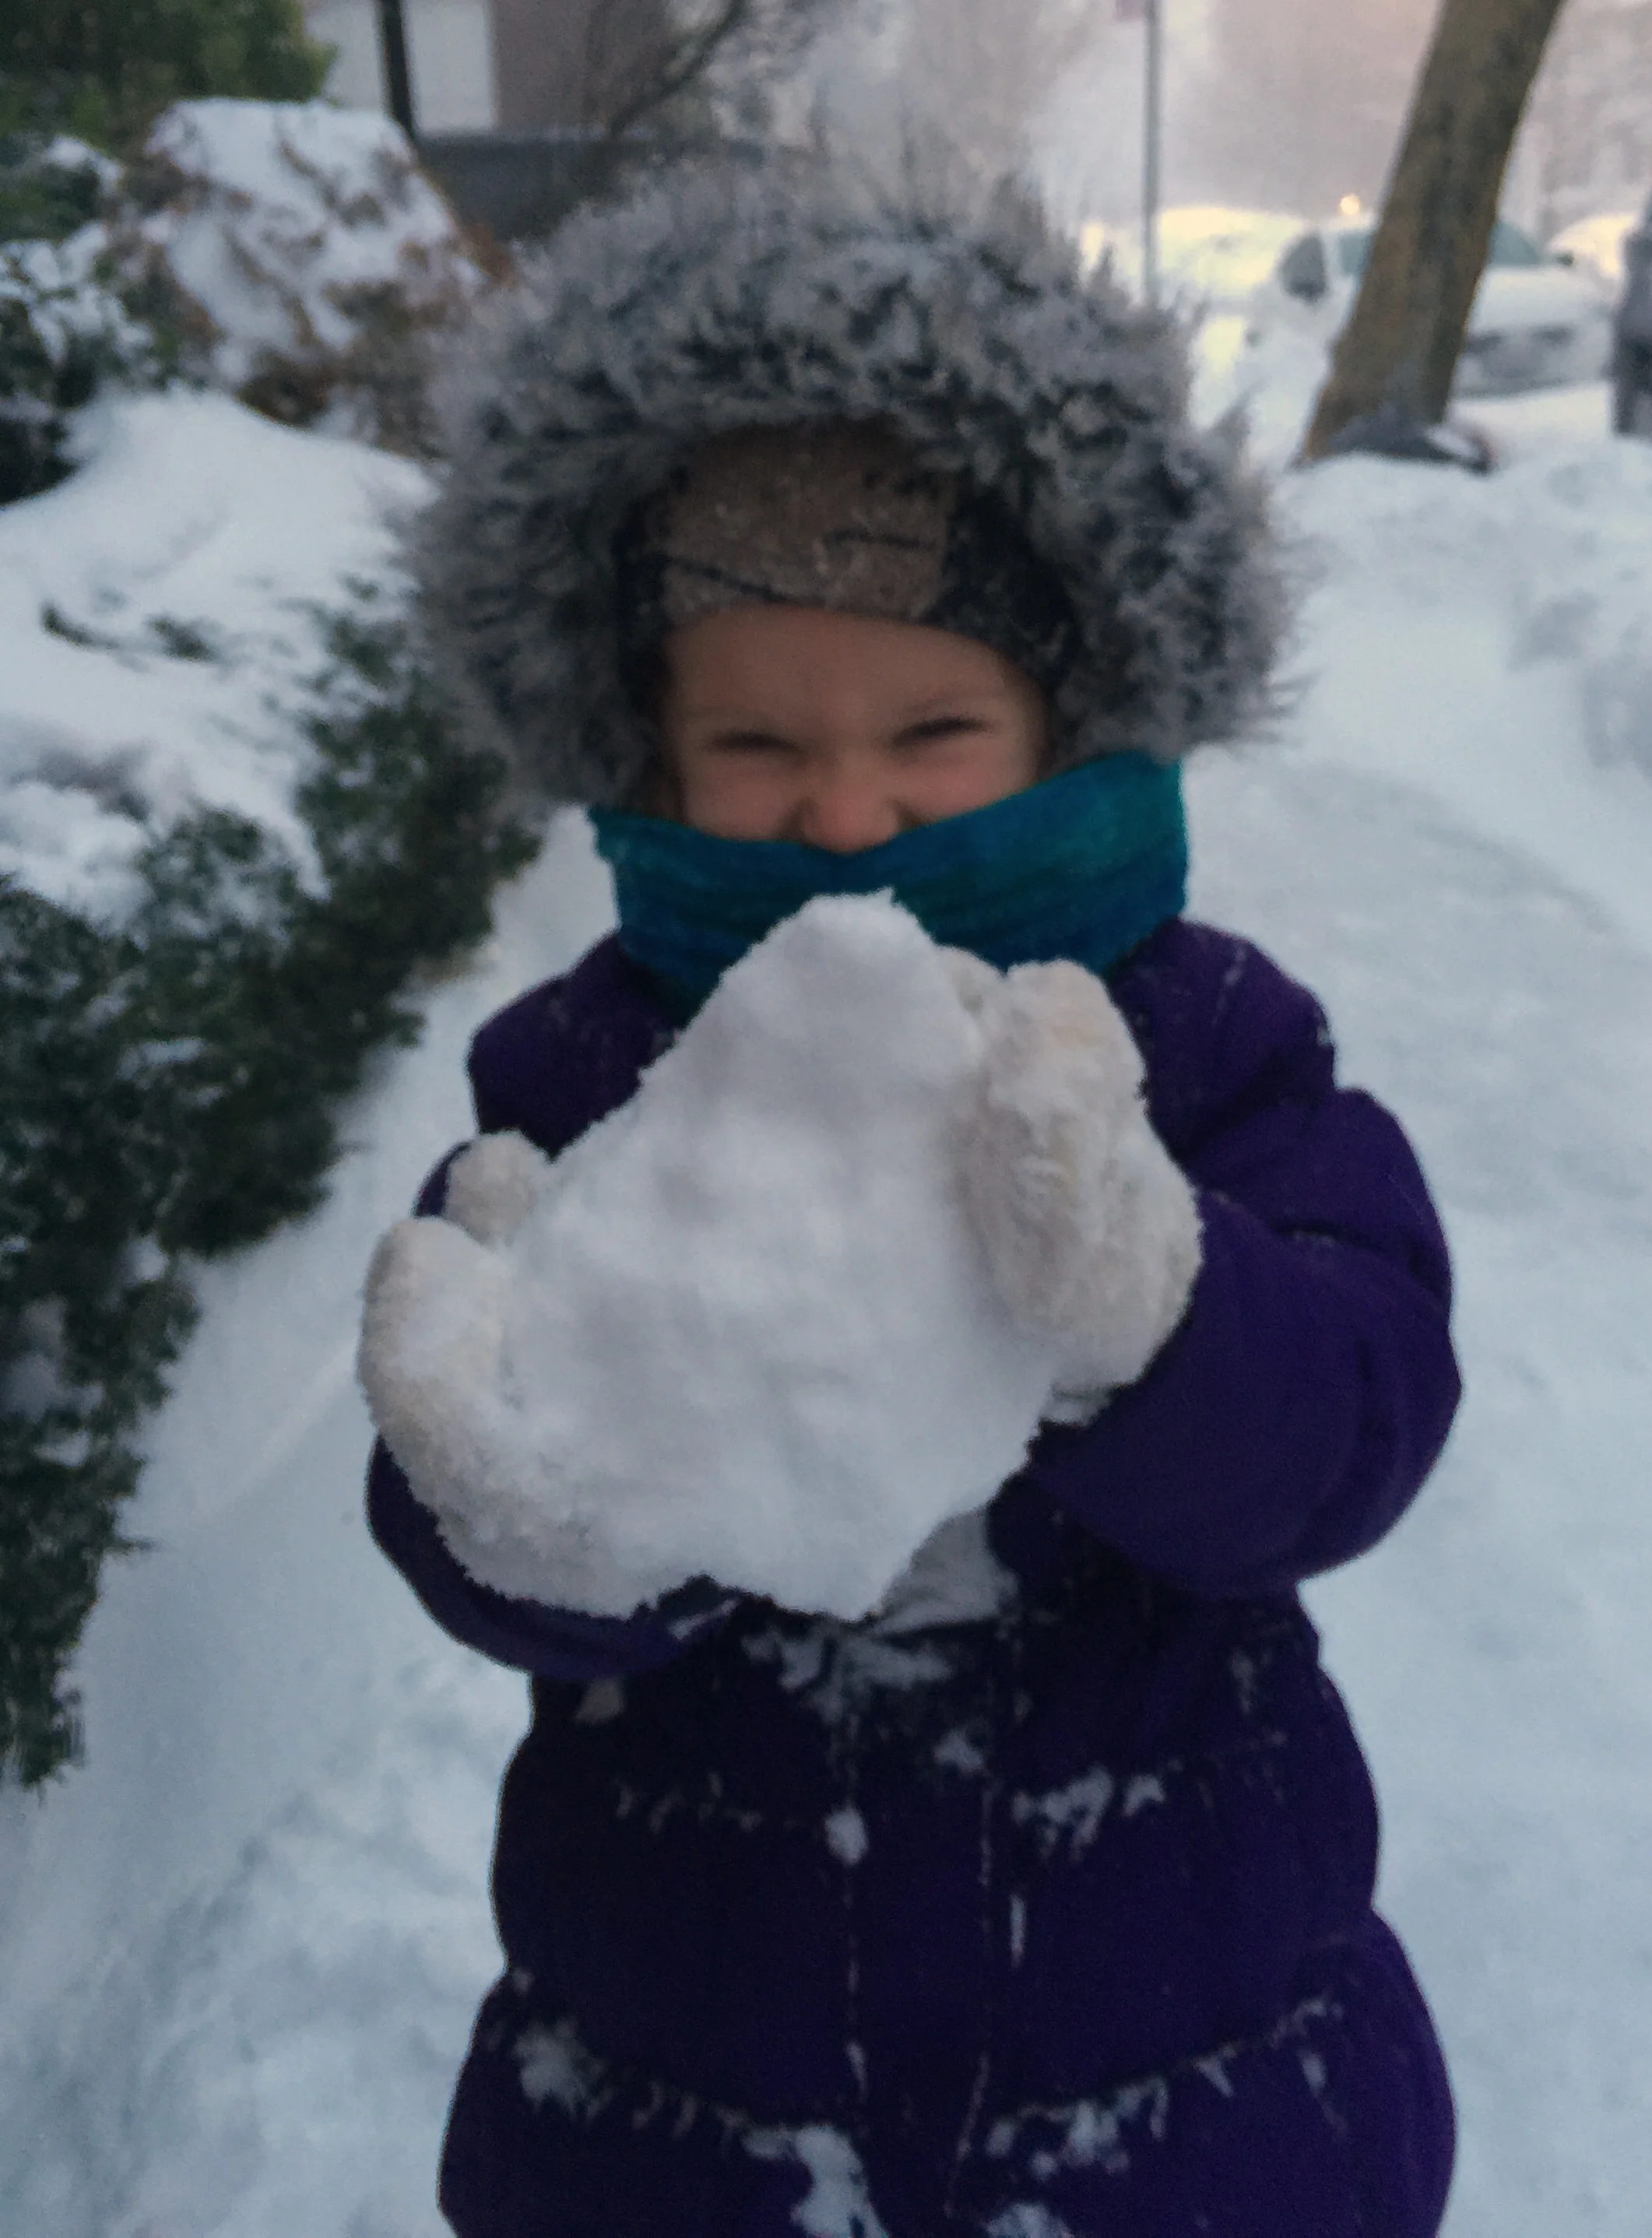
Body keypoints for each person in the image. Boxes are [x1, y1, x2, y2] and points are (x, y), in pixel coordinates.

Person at [359, 161, 1460, 2238]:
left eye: (935, 728)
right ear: (647, 756)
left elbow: (1359, 1415)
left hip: (1190, 2082)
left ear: (1067, 720)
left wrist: (1162, 1314)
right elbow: (483, 1534)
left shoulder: (1201, 1044)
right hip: (693, 2095)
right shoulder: (586, 1083)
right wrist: (518, 1507)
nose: (846, 812)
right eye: (753, 740)